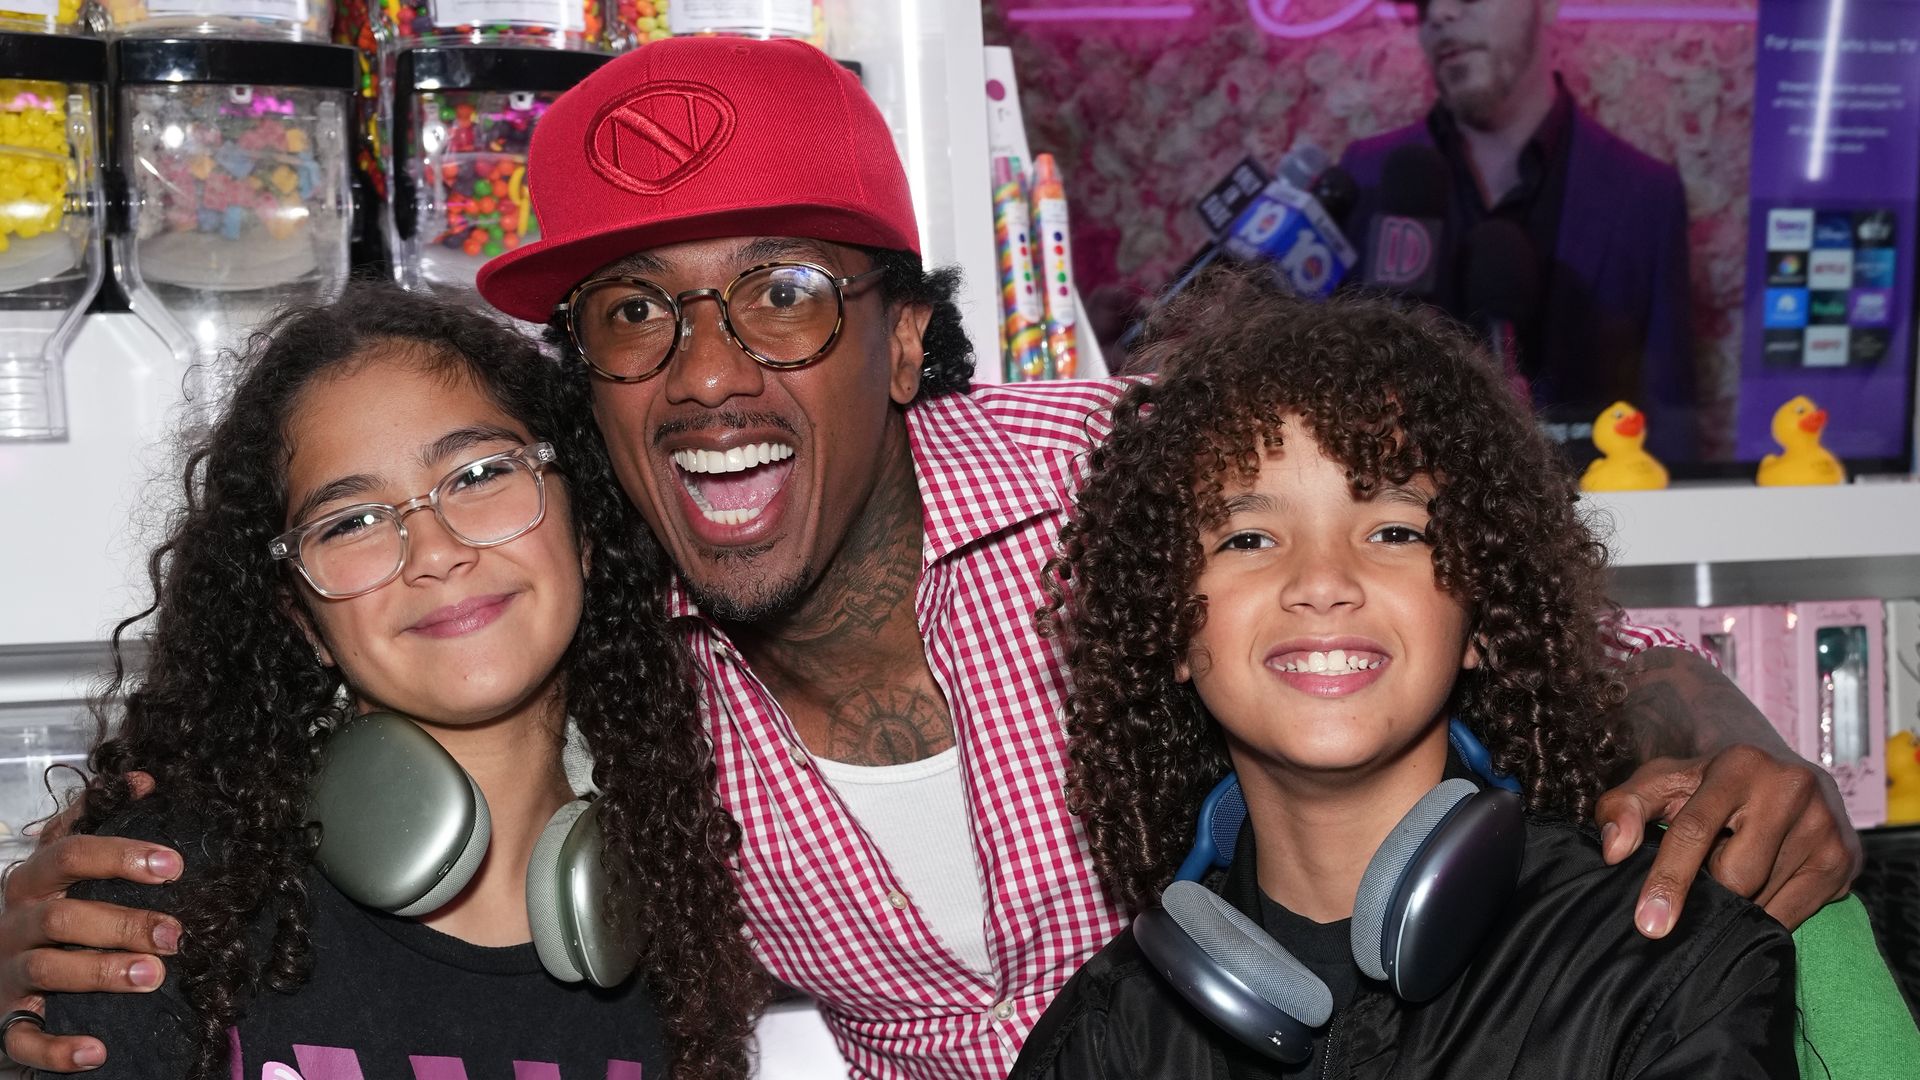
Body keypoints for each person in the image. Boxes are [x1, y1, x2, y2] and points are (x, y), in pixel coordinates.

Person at [1, 38, 1861, 1080]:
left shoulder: (1122, 479)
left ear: (904, 343)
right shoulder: (602, 658)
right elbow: (342, 687)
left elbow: (1531, 618)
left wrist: (1722, 739)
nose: (711, 373)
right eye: (639, 316)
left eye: (786, 296)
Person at [1012, 266, 1793, 1078]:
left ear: (1480, 618)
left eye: (1393, 531)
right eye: (1246, 538)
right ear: (1169, 624)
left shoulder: (1664, 968)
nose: (1321, 583)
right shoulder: (1106, 1038)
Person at [25, 285, 763, 1077]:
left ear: (583, 524)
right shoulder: (165, 896)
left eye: (480, 474)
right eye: (351, 522)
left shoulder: (686, 911)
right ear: (302, 616)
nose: (435, 550)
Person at [1340, 0, 1697, 462]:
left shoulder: (1645, 196)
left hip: (1593, 523)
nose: (1441, 14)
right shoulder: (1367, 177)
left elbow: (1672, 431)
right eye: (1423, 4)